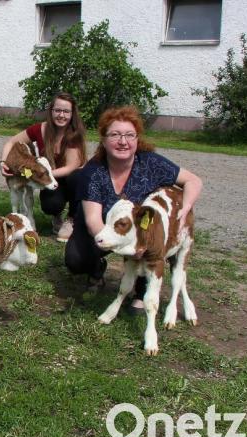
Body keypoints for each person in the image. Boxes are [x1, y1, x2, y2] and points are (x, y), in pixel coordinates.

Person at [66, 105, 203, 314]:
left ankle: (141, 291)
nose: (123, 141)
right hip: (107, 230)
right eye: (115, 135)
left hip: (140, 233)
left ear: (137, 139)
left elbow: (193, 181)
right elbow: (94, 222)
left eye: (130, 135)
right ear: (103, 140)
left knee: (150, 241)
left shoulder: (150, 162)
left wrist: (184, 211)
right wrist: (124, 249)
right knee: (76, 259)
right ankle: (96, 269)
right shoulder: (92, 172)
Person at [0, 92, 87, 242]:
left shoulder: (74, 134)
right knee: (49, 205)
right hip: (51, 176)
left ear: (72, 114)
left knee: (77, 177)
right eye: (57, 110)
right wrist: (3, 162)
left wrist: (42, 174)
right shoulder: (40, 129)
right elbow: (11, 142)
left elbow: (71, 167)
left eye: (66, 111)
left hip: (70, 178)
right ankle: (56, 215)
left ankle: (72, 218)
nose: (61, 115)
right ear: (51, 111)